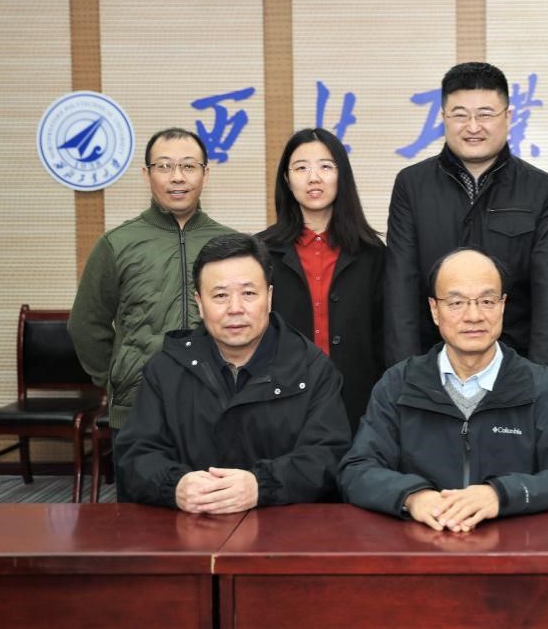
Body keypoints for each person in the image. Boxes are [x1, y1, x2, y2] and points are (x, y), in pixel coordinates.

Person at [340, 248, 548, 532]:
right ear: (435, 310)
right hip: (422, 545)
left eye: (487, 301)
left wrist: (501, 495)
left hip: (514, 547)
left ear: (502, 306)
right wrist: (412, 497)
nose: (474, 316)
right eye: (456, 303)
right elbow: (357, 470)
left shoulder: (542, 386)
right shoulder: (399, 383)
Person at [116, 233, 351, 512]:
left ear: (269, 297)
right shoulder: (166, 369)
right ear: (199, 303)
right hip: (190, 524)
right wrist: (175, 486)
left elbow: (328, 455)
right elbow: (135, 454)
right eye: (220, 296)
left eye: (249, 294)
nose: (235, 309)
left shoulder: (312, 368)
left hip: (283, 526)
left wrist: (262, 485)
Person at [385, 62, 548, 373]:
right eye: (460, 115)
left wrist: (543, 381)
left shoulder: (541, 189)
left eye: (485, 114)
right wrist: (404, 377)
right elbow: (400, 290)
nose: (473, 127)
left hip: (515, 365)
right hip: (432, 367)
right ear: (443, 118)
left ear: (508, 116)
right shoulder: (411, 185)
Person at [69, 127, 233, 464]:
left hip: (217, 404)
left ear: (205, 174)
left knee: (216, 494)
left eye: (188, 166)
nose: (177, 177)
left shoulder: (230, 245)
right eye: (164, 166)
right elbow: (86, 324)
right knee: (141, 497)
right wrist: (117, 377)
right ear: (146, 175)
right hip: (138, 406)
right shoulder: (117, 244)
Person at [258, 128, 385, 433]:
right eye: (301, 168)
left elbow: (385, 337)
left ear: (342, 176)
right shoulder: (260, 252)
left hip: (358, 403)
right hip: (280, 403)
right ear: (287, 180)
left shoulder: (373, 253)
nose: (314, 178)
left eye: (326, 166)